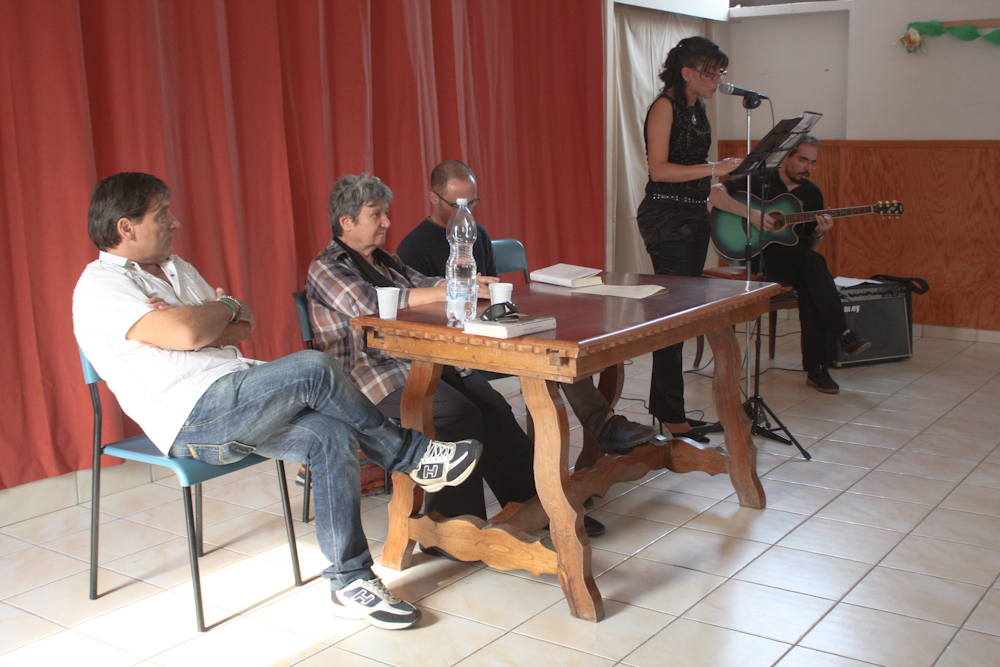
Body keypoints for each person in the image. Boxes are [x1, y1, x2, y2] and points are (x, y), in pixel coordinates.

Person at [73, 172, 484, 631]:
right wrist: (211, 313)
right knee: (313, 367)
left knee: (331, 435)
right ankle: (412, 456)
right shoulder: (102, 286)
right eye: (161, 214)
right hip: (194, 418)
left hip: (239, 395)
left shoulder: (176, 268)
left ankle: (349, 579)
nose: (175, 222)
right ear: (126, 227)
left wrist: (218, 313)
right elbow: (189, 333)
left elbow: (242, 323)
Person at [306, 173, 607, 541]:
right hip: (368, 377)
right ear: (347, 222)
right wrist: (448, 289)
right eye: (376, 215)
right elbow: (370, 304)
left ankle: (536, 508)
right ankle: (451, 533)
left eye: (386, 213)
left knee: (494, 407)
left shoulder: (384, 260)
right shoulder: (326, 267)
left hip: (417, 359)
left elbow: (421, 282)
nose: (386, 222)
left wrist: (468, 283)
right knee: (459, 416)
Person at [398, 160, 659, 451]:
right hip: (453, 341)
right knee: (545, 355)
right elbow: (416, 313)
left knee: (555, 345)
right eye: (459, 204)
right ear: (434, 198)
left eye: (472, 203)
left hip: (490, 325)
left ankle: (599, 428)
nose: (467, 212)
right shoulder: (413, 247)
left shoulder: (478, 234)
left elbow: (493, 293)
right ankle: (596, 430)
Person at [637, 36, 742, 440]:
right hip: (667, 218)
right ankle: (671, 414)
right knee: (673, 319)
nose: (718, 80)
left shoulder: (699, 109)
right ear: (687, 73)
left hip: (694, 216)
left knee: (680, 319)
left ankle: (668, 410)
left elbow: (699, 173)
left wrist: (741, 200)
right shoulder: (665, 106)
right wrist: (715, 168)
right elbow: (660, 170)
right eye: (711, 72)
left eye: (721, 72)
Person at [709, 136, 871, 393]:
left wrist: (820, 232)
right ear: (786, 157)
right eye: (803, 160)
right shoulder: (760, 179)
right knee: (813, 269)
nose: (807, 168)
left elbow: (808, 247)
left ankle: (819, 367)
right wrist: (751, 213)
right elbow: (714, 193)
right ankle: (834, 345)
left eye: (812, 163)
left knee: (811, 281)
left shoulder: (812, 194)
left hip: (795, 261)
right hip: (759, 255)